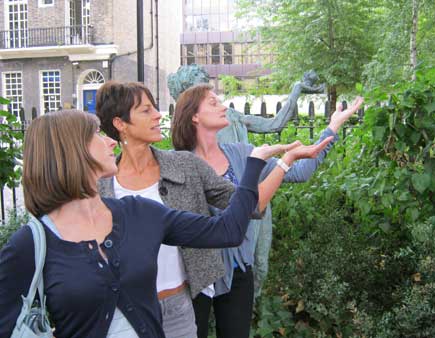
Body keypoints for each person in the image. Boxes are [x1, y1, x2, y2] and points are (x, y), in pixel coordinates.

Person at [0, 109, 297, 338]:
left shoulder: (139, 213)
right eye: (95, 134)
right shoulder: (30, 245)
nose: (108, 142)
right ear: (69, 152)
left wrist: (255, 163)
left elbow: (229, 231)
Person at [94, 81, 330, 338]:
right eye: (146, 110)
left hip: (186, 299)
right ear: (120, 123)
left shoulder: (184, 164)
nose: (158, 115)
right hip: (128, 308)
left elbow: (246, 207)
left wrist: (278, 163)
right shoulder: (102, 184)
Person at [171, 83, 364, 338]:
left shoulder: (243, 154)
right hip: (193, 274)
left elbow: (299, 171)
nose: (224, 107)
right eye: (213, 102)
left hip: (239, 270)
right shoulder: (176, 163)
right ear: (194, 115)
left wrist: (333, 127)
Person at [168, 64, 327, 296]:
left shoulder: (232, 119)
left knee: (258, 265)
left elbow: (275, 124)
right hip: (226, 219)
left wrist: (297, 90)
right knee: (225, 274)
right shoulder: (185, 158)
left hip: (255, 198)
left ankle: (248, 312)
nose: (217, 101)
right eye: (201, 91)